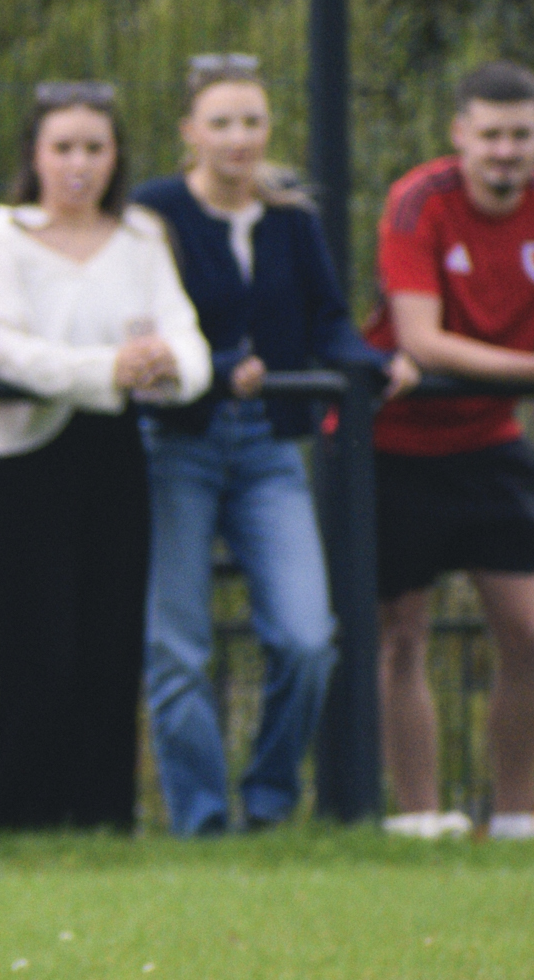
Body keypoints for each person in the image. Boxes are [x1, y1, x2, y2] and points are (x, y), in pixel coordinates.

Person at [135, 53, 411, 835]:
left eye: (251, 121)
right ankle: (200, 820)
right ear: (190, 132)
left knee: (304, 639)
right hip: (178, 440)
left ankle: (266, 803)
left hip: (269, 447)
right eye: (220, 122)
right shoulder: (155, 212)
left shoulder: (291, 218)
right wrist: (218, 371)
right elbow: (148, 318)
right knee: (178, 647)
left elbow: (328, 321)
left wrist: (375, 364)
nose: (238, 138)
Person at [368, 57, 534, 839]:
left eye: (519, 135)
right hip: (397, 443)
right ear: (459, 135)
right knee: (401, 634)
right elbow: (423, 340)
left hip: (492, 444)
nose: (503, 152)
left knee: (529, 633)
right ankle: (419, 820)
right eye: (488, 135)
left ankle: (516, 822)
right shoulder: (416, 202)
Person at [0, 83, 210, 832]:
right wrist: (108, 370)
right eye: (63, 147)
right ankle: (12, 824)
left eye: (94, 148)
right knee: (38, 647)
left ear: (116, 156)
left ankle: (104, 821)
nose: (79, 164)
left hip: (113, 454)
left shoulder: (140, 236)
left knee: (109, 644)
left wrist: (165, 364)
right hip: (24, 458)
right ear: (34, 155)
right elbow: (2, 348)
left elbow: (188, 342)